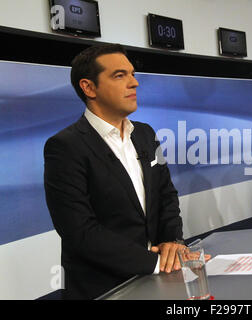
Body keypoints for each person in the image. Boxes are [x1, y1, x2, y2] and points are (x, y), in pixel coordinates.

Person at [44, 44, 186, 299]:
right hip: (105, 289)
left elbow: (166, 195)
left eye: (132, 74)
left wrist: (173, 243)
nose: (134, 83)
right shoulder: (65, 147)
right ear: (88, 87)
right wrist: (156, 263)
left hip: (158, 281)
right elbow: (80, 232)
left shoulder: (146, 134)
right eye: (120, 76)